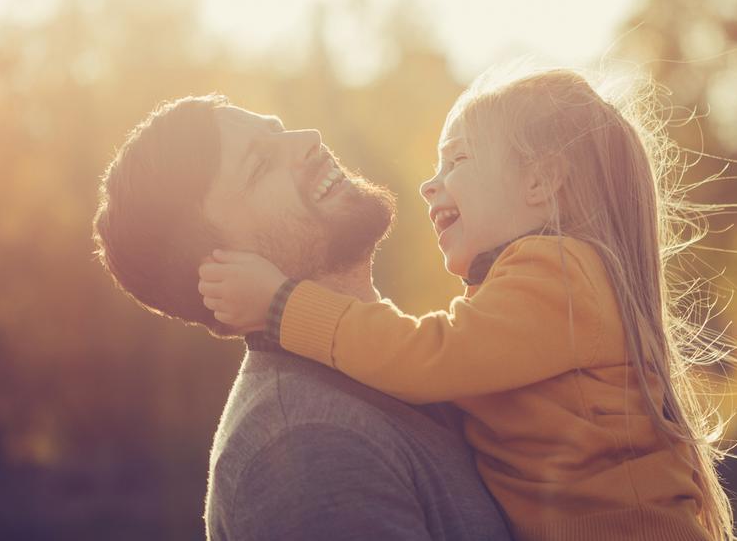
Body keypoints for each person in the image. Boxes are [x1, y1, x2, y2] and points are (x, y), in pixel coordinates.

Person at [198, 68, 735, 540]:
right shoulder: (301, 439)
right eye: (259, 165)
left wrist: (283, 306)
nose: (431, 186)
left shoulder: (562, 276)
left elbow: (421, 356)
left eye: (456, 161)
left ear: (539, 180)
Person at [92, 95, 513, 540]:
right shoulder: (305, 443)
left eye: (278, 128)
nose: (307, 140)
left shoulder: (407, 363)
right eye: (259, 165)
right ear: (220, 268)